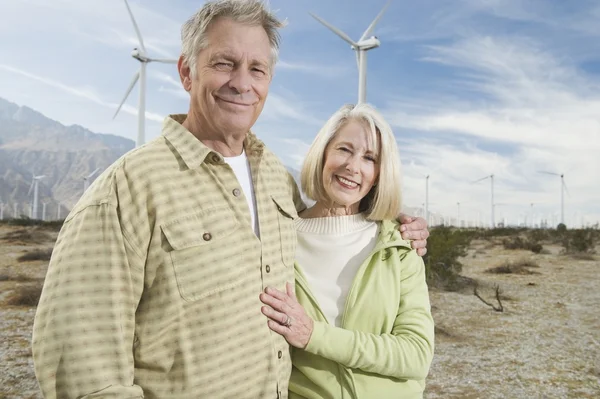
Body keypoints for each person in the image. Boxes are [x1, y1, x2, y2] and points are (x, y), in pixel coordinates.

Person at [32, 1, 429, 398]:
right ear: (187, 72)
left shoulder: (275, 180)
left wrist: (400, 226)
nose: (242, 83)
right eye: (224, 63)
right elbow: (83, 365)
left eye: (257, 69)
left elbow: (330, 223)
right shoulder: (127, 190)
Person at [260, 103, 435, 399]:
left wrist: (313, 335)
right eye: (344, 149)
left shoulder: (398, 244)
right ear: (323, 152)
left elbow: (416, 355)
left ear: (379, 173)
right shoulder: (277, 239)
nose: (353, 167)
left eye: (369, 158)